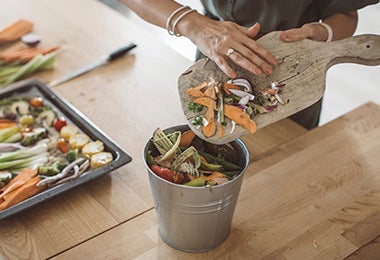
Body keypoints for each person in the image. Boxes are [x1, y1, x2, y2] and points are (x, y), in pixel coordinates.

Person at [119, 0, 379, 129]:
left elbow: (345, 11)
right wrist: (192, 24)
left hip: (296, 71)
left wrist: (322, 33)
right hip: (215, 59)